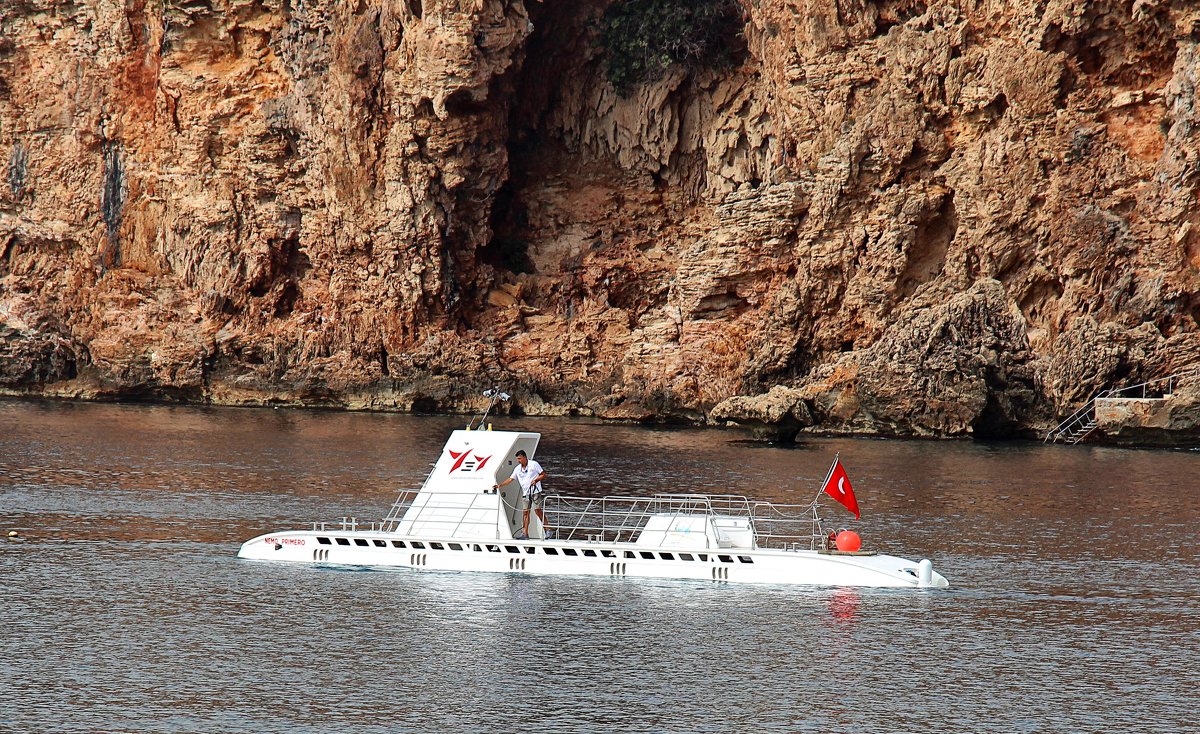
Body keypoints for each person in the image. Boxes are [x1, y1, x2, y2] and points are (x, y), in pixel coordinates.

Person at [494, 449, 551, 540]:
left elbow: (543, 474)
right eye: (518, 459)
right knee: (525, 513)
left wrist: (536, 480)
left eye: (520, 458)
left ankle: (547, 529)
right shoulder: (517, 468)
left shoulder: (534, 464)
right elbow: (511, 479)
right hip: (526, 493)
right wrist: (500, 485)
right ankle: (525, 533)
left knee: (537, 510)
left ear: (524, 457)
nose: (519, 461)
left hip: (535, 491)